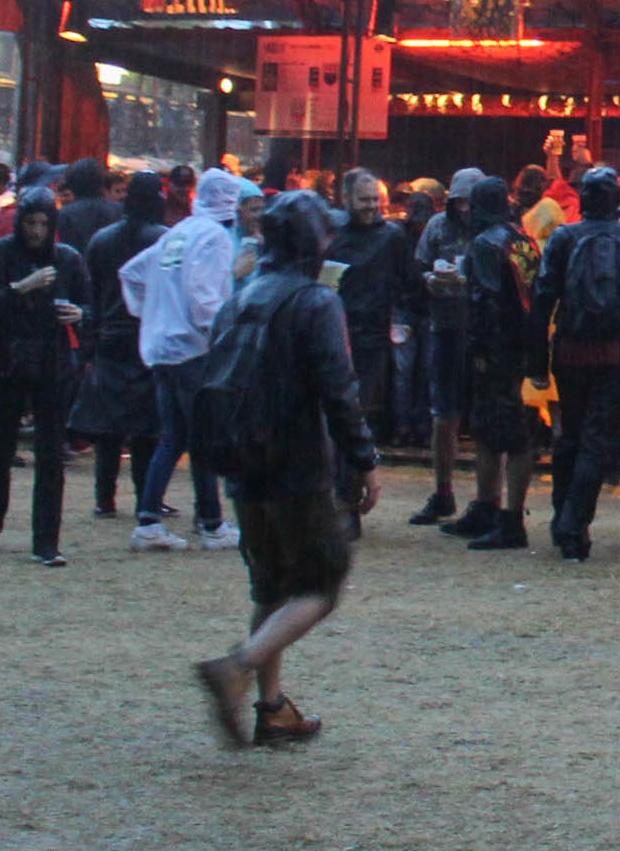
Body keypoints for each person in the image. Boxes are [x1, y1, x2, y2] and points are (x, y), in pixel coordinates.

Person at [190, 191, 383, 750]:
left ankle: (272, 709)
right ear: (311, 241)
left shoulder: (241, 295)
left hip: (240, 458)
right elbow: (338, 390)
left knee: (272, 586)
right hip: (295, 460)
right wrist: (365, 460)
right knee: (321, 583)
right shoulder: (315, 301)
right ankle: (238, 668)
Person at [532, 164, 620, 563]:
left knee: (570, 434)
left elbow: (542, 298)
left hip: (570, 347)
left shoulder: (563, 237)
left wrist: (537, 354)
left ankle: (564, 517)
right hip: (617, 351)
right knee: (598, 438)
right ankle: (574, 522)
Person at [0, 185, 93, 565]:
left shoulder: (68, 259)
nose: (36, 231)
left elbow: (90, 304)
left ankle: (46, 540)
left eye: (43, 223)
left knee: (50, 455)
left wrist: (81, 315)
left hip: (53, 362)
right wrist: (19, 289)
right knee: (0, 449)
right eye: (30, 223)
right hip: (8, 360)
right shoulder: (1, 254)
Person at [130, 168, 245, 549]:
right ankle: (211, 523)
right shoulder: (215, 237)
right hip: (192, 349)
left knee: (174, 436)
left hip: (162, 346)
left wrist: (154, 314)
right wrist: (219, 332)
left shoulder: (178, 232)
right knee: (203, 436)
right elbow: (203, 298)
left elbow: (132, 274)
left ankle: (149, 520)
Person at [68, 173, 171, 540]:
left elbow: (91, 291)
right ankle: (147, 497)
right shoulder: (162, 239)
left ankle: (104, 498)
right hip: (146, 334)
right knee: (147, 427)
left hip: (109, 334)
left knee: (109, 426)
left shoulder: (102, 239)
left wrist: (89, 339)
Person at [453, 175, 540, 550]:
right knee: (493, 428)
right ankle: (492, 509)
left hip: (496, 350)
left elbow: (485, 303)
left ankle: (505, 516)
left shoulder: (484, 245)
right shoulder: (525, 240)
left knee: (502, 431)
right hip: (522, 346)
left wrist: (478, 350)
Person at [406, 167, 485, 524]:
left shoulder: (491, 230)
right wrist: (429, 279)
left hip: (483, 331)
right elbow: (417, 267)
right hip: (446, 326)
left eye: (470, 202)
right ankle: (443, 491)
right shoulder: (438, 227)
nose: (465, 209)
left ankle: (488, 499)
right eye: (459, 202)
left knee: (485, 417)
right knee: (443, 414)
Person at [324, 168, 415, 459]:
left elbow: (410, 281)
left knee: (357, 409)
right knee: (331, 408)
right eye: (364, 200)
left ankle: (348, 484)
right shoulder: (331, 233)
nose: (372, 206)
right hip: (332, 333)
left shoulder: (392, 236)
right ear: (346, 198)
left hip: (372, 336)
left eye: (375, 199)